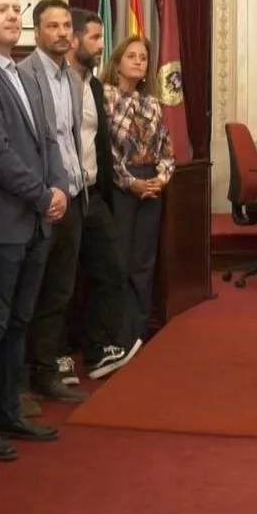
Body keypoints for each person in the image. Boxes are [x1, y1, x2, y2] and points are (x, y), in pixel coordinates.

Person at [0, 0, 68, 462]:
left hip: (35, 219)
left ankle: (9, 410)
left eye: (15, 8)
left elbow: (46, 140)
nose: (11, 16)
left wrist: (59, 187)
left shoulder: (22, 72)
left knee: (19, 321)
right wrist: (43, 194)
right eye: (0, 9)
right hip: (2, 221)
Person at [18, 0, 93, 405]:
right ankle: (20, 378)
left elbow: (72, 139)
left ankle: (47, 371)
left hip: (75, 196)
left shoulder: (74, 79)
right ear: (37, 31)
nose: (63, 33)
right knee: (31, 291)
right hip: (42, 200)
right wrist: (48, 192)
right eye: (53, 26)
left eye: (67, 26)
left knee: (60, 292)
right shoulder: (26, 74)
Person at [65, 9, 143, 381]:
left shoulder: (93, 86)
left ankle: (98, 350)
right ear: (75, 39)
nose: (101, 46)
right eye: (95, 38)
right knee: (60, 283)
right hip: (62, 194)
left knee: (110, 268)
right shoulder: (58, 82)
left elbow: (98, 144)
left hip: (93, 193)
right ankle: (54, 361)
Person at [104, 34, 176, 346]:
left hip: (151, 186)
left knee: (143, 262)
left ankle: (138, 331)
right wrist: (129, 182)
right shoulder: (105, 97)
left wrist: (160, 178)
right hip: (121, 185)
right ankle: (116, 334)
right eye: (131, 56)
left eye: (143, 58)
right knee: (119, 260)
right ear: (117, 62)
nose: (138, 61)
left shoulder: (152, 104)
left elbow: (167, 151)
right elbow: (104, 149)